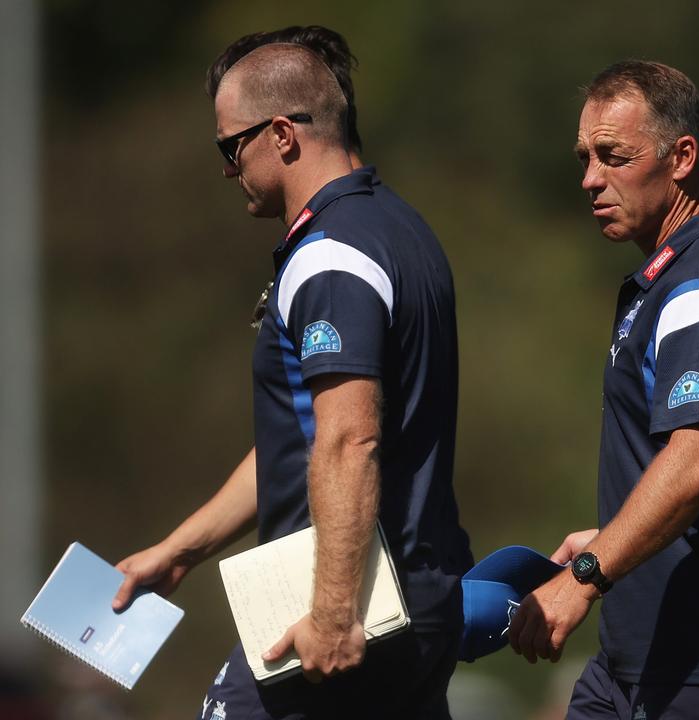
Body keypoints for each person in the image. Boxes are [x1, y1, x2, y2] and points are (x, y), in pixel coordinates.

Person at [111, 38, 471, 719]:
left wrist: (333, 613)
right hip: (415, 599)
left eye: (230, 148)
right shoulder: (403, 230)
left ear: (280, 135)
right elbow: (305, 444)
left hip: (346, 610)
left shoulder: (330, 255)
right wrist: (179, 550)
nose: (227, 170)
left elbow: (347, 439)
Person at [508, 60, 699, 719]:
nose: (590, 179)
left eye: (612, 156)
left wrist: (583, 582)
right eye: (585, 157)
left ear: (682, 157)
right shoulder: (669, 281)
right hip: (633, 665)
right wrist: (616, 534)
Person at [206, 25, 365, 168]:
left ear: (283, 132)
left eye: (233, 146)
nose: (229, 170)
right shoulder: (375, 199)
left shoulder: (352, 200)